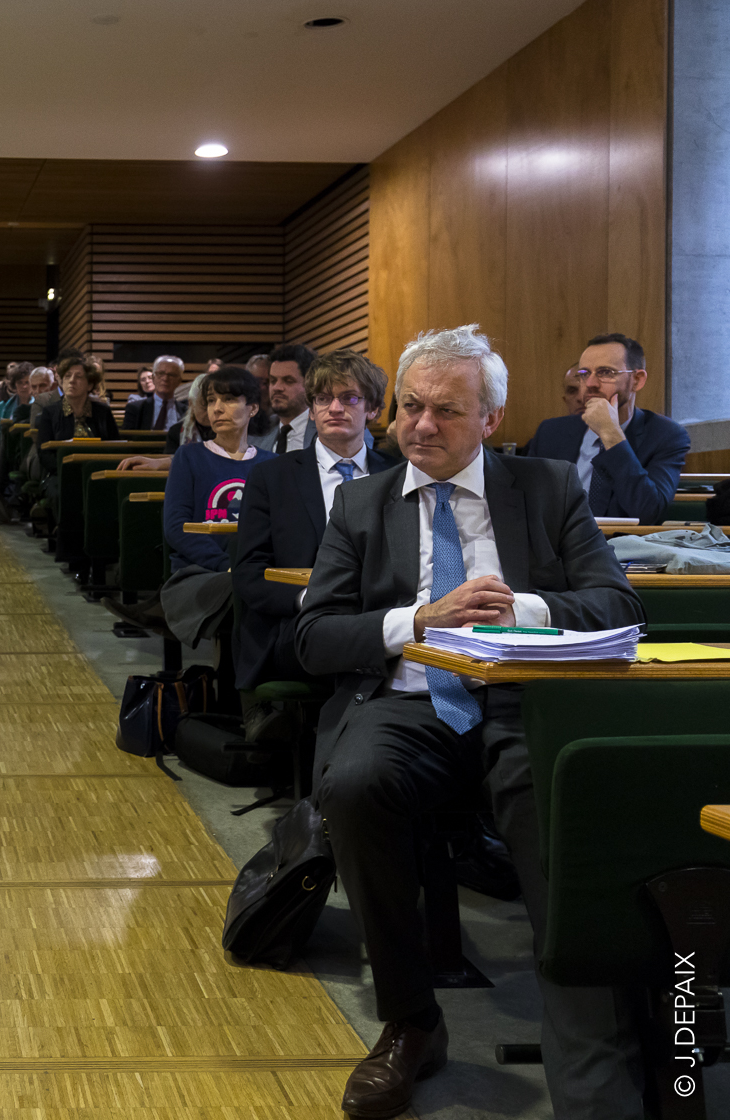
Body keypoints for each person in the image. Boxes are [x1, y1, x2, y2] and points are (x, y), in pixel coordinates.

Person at [296, 324, 646, 1120]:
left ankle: (592, 1067)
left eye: (447, 411)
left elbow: (621, 606)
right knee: (354, 786)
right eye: (409, 407)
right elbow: (314, 637)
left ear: (490, 418)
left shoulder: (547, 488)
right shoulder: (361, 503)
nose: (421, 425)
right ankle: (411, 1021)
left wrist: (519, 609)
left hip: (526, 704)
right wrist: (419, 619)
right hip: (410, 702)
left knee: (555, 805)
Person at [232, 350, 397, 689]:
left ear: (373, 409)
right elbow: (248, 573)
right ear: (311, 409)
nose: (334, 408)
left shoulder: (399, 475)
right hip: (300, 620)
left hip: (383, 617)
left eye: (349, 398)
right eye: (322, 399)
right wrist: (309, 599)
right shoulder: (271, 477)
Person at [524, 333, 688, 524]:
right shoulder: (551, 432)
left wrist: (611, 434)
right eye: (584, 374)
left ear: (637, 380)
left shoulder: (666, 436)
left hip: (622, 542)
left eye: (606, 373)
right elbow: (525, 501)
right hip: (556, 540)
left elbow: (649, 512)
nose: (591, 384)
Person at [163, 366, 273, 572]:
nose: (217, 409)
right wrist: (224, 565)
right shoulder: (188, 456)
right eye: (211, 400)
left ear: (253, 408)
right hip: (198, 571)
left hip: (254, 571)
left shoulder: (271, 463)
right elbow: (177, 527)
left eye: (229, 399)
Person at [251, 343, 317, 454]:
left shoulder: (324, 433)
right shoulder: (259, 433)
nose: (277, 388)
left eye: (288, 381)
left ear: (310, 384)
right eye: (273, 381)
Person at [123, 356, 180, 432]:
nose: (165, 378)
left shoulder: (185, 410)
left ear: (179, 380)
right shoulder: (135, 407)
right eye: (161, 374)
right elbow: (127, 437)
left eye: (171, 375)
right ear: (154, 378)